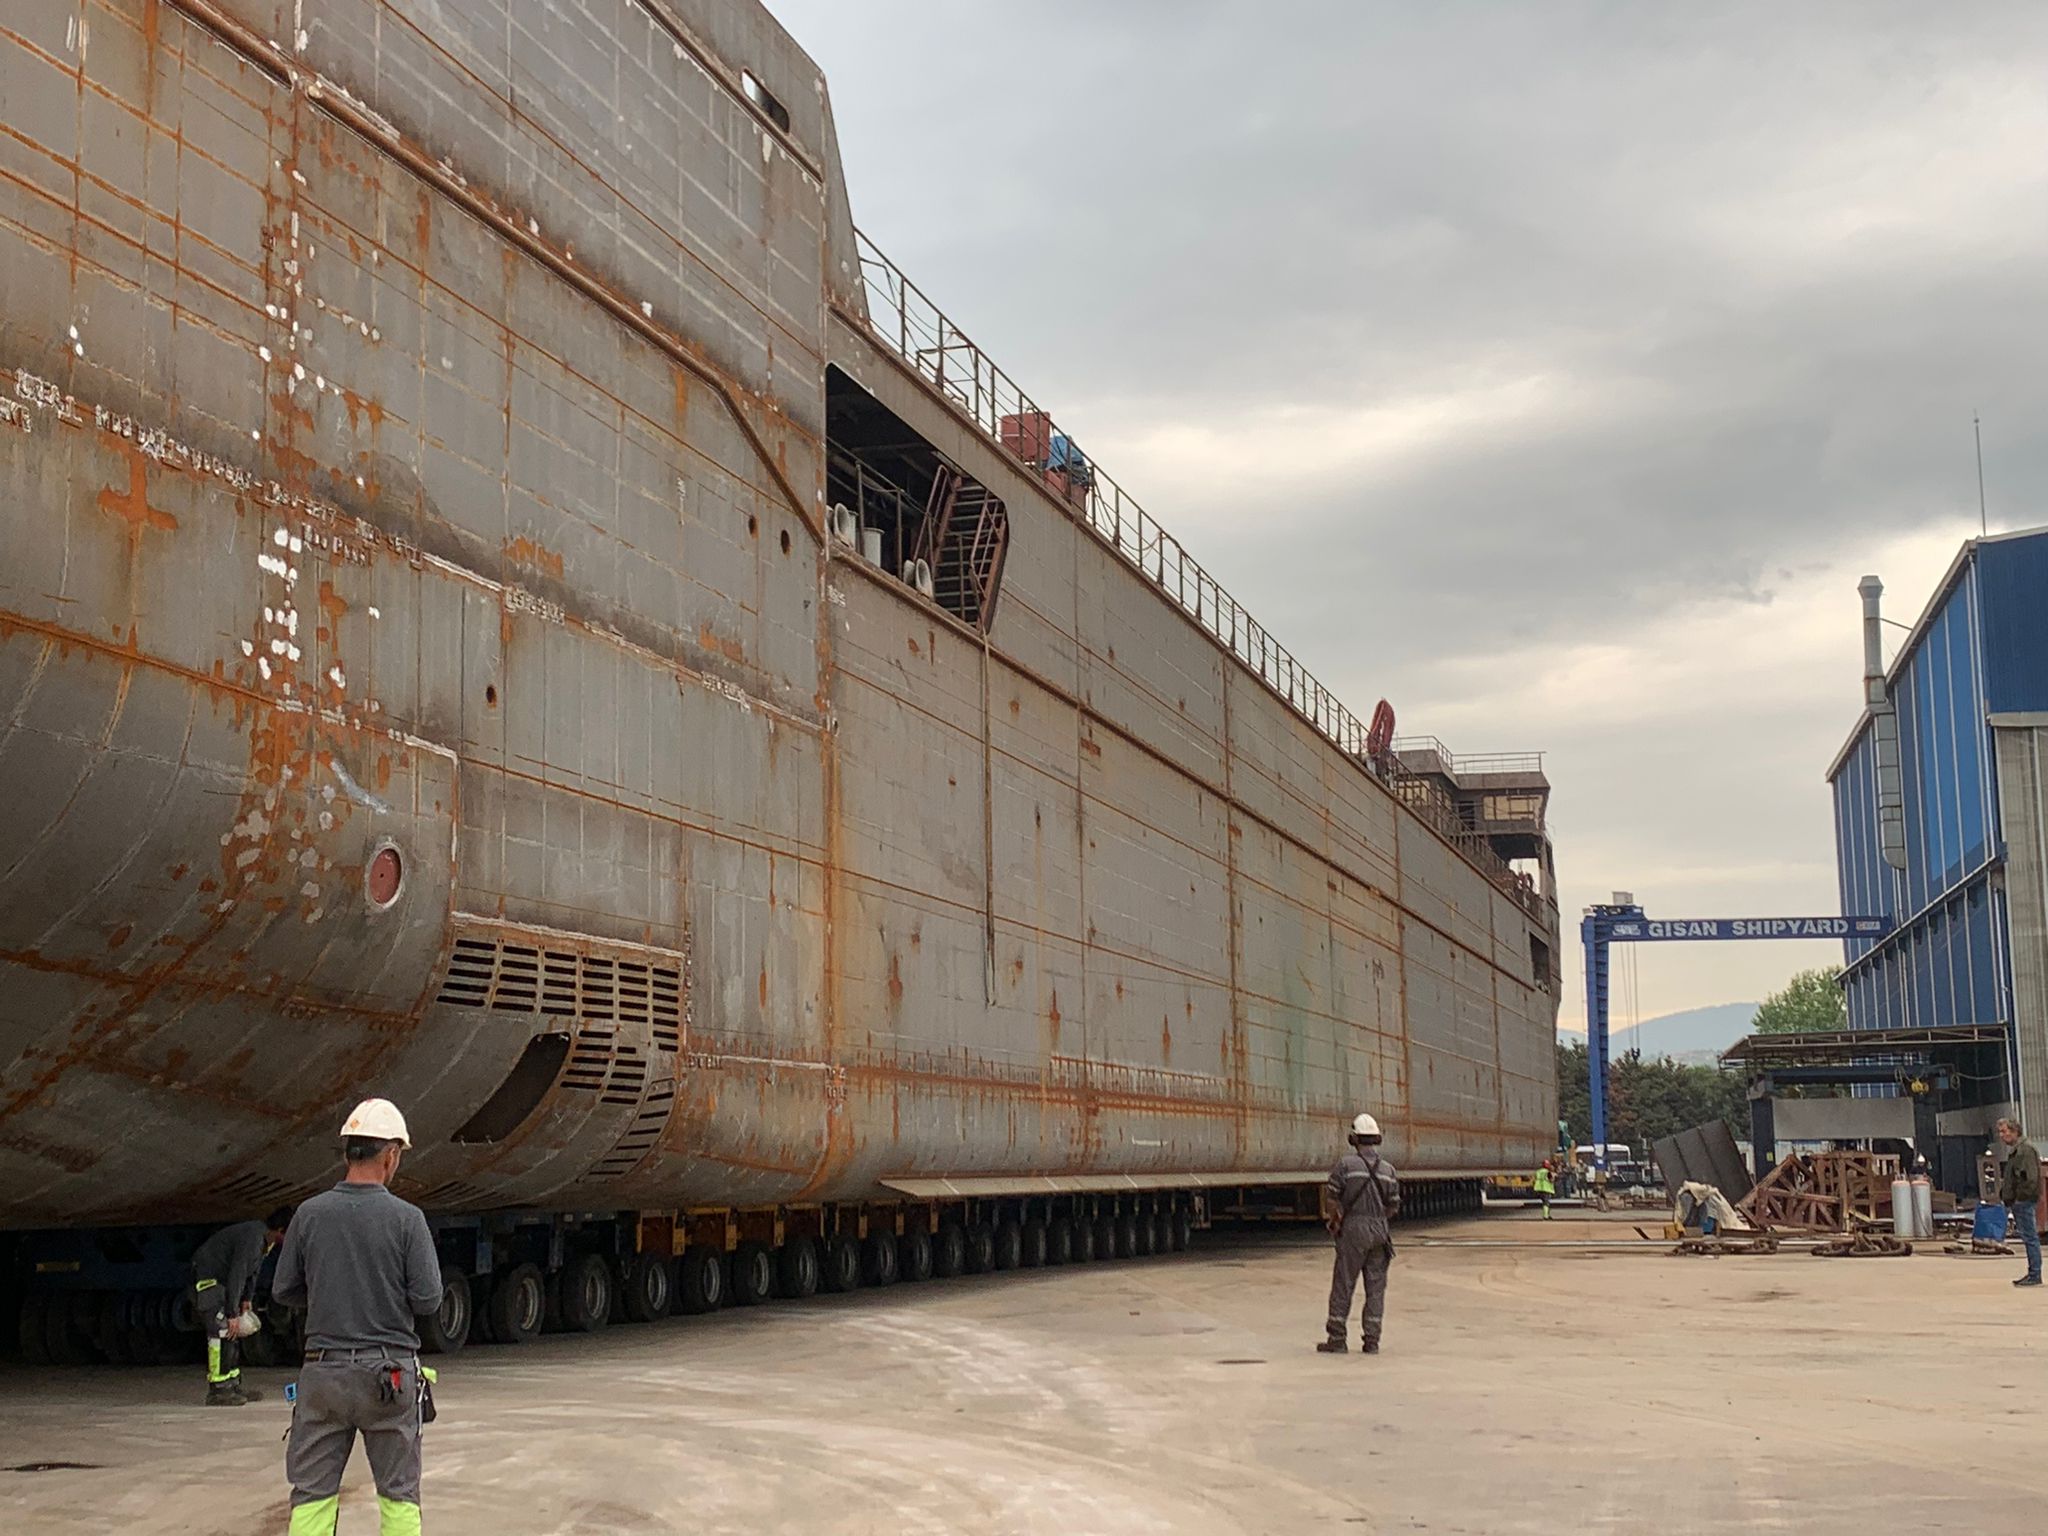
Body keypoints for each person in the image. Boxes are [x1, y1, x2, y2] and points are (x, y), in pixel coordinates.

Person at [273, 1098, 444, 1536]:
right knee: (398, 1494)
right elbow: (427, 1299)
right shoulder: (408, 1219)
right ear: (391, 1155)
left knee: (312, 1495)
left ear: (348, 1152)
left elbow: (283, 1290)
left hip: (323, 1374)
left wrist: (331, 1295)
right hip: (388, 1377)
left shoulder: (308, 1214)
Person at [191, 1206, 295, 1406]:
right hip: (210, 1282)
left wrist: (246, 1299)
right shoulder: (252, 1238)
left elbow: (253, 1271)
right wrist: (232, 1313)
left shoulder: (264, 1241)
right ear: (281, 1230)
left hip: (224, 1285)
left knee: (233, 1334)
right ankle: (218, 1390)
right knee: (222, 1332)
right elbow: (237, 1273)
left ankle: (233, 1384)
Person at [1318, 1111, 1401, 1355]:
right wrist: (1377, 1219)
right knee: (1376, 1288)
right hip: (1379, 1231)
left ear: (1354, 1139)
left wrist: (1336, 1221)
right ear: (1377, 1139)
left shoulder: (1345, 1166)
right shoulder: (1388, 1170)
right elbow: (1394, 1205)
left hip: (1353, 1229)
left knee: (1344, 1284)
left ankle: (1337, 1339)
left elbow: (1332, 1198)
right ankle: (1372, 1341)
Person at [1996, 1117, 2042, 1287]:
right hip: (2020, 1201)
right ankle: (2033, 1273)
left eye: (2004, 1131)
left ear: (2014, 1131)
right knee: (2029, 1237)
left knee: (2030, 1237)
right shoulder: (2017, 1150)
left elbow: (2030, 1178)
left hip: (2024, 1201)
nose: (2001, 1135)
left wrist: (2020, 1198)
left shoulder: (2025, 1150)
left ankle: (2035, 1274)